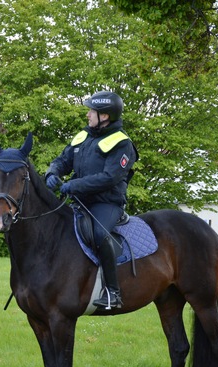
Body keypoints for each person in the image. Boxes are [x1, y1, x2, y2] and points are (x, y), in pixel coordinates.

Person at [44, 91, 138, 309]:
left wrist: (73, 185)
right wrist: (52, 173)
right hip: (79, 201)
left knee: (100, 234)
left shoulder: (122, 143)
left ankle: (112, 293)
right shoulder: (83, 137)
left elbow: (109, 177)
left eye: (91, 111)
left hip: (106, 203)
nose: (87, 114)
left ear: (104, 116)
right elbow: (62, 160)